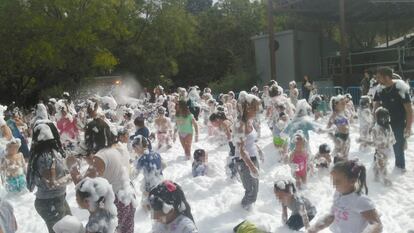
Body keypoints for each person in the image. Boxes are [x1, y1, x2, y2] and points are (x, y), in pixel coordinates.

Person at [69, 111, 136, 233]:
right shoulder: (117, 148)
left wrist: (72, 167)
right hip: (128, 197)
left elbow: (83, 187)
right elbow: (107, 169)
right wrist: (90, 160)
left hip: (115, 203)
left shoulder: (101, 156)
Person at [27, 104, 72, 233]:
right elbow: (52, 183)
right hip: (50, 203)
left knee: (69, 227)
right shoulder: (46, 157)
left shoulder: (51, 152)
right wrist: (71, 176)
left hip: (55, 200)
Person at [308, 160, 383, 233]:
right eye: (333, 180)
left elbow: (377, 225)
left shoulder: (361, 201)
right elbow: (332, 216)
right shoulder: (338, 194)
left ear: (352, 181)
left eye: (337, 181)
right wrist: (315, 228)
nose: (334, 184)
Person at [373, 67, 412, 171]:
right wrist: (374, 121)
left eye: (379, 77)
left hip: (398, 123)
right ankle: (378, 167)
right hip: (382, 123)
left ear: (386, 77)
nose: (377, 79)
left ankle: (399, 169)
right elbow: (376, 105)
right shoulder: (380, 89)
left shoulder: (400, 88)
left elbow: (409, 110)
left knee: (398, 147)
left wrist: (408, 127)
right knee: (379, 145)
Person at [233, 91, 261, 211]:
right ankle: (240, 213)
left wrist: (259, 150)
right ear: (247, 108)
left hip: (252, 158)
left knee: (254, 191)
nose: (257, 110)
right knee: (251, 193)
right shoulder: (240, 124)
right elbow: (241, 149)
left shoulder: (249, 121)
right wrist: (251, 167)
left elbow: (250, 140)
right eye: (255, 108)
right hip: (244, 162)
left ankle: (247, 211)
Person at [358, 107, 395, 186]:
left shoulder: (382, 127)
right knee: (380, 165)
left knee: (381, 165)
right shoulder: (383, 127)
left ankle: (381, 179)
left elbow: (377, 143)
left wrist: (364, 141)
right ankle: (380, 179)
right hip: (384, 150)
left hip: (383, 150)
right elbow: (390, 140)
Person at [132, 135, 164, 209]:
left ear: (138, 146)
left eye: (135, 149)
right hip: (160, 181)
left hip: (150, 186)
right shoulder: (156, 153)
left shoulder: (142, 159)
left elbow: (134, 174)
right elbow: (164, 165)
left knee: (147, 206)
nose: (135, 151)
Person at [209, 112, 236, 179]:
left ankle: (233, 176)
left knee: (233, 159)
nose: (212, 125)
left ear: (217, 120)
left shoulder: (223, 123)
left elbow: (229, 136)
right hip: (235, 142)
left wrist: (224, 143)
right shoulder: (225, 121)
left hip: (234, 143)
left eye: (212, 123)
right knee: (233, 158)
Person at [326, 95, 350, 163]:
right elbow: (327, 129)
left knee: (345, 157)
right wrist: (334, 139)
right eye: (342, 103)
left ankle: (343, 170)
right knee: (339, 158)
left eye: (344, 103)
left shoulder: (345, 113)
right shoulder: (334, 115)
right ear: (335, 105)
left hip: (346, 138)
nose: (344, 104)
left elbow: (347, 125)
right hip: (339, 139)